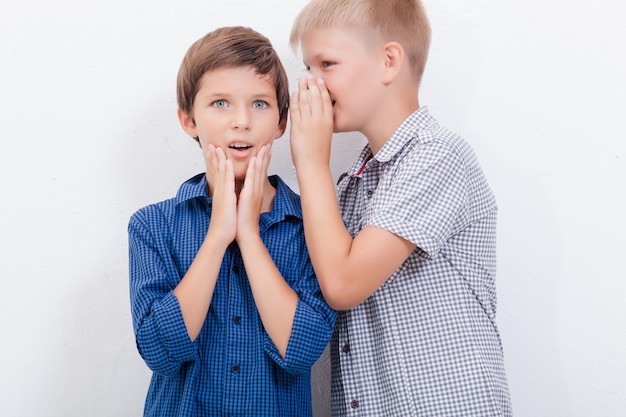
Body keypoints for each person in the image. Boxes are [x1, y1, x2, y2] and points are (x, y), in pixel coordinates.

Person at [288, 0, 513, 415]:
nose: (310, 85)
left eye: (327, 64)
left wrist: (311, 162)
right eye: (307, 69)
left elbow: (342, 284)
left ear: (388, 62)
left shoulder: (437, 156)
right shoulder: (353, 186)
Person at [128, 26, 336, 417]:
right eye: (220, 103)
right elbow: (159, 351)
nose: (241, 121)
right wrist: (218, 236)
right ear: (188, 120)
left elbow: (303, 350)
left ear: (281, 122)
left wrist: (249, 237)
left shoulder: (312, 225)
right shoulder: (152, 226)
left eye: (259, 104)